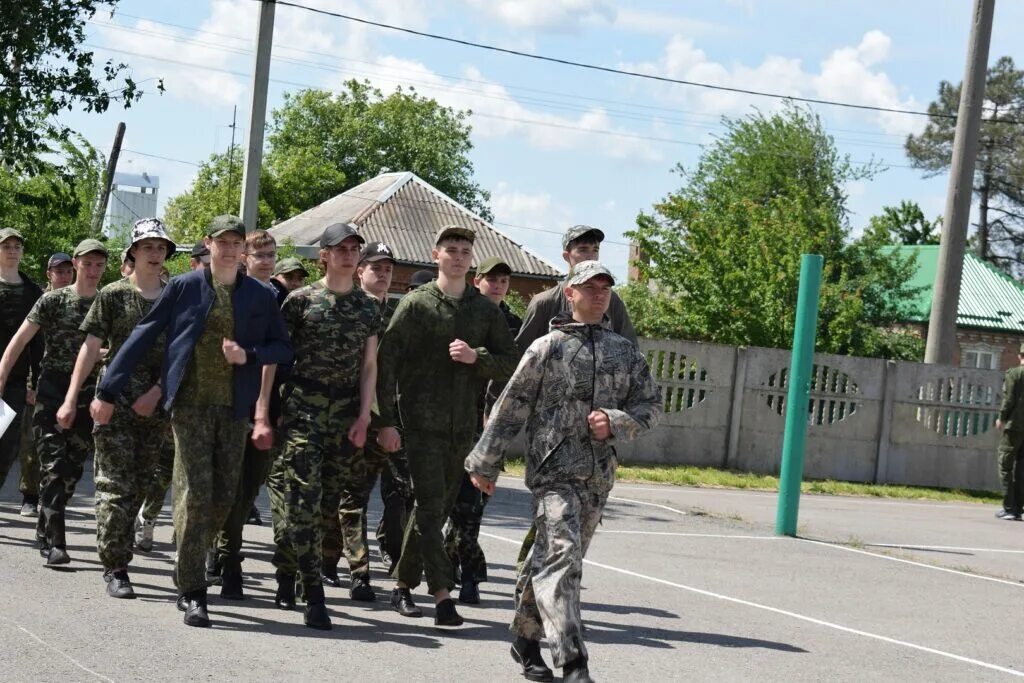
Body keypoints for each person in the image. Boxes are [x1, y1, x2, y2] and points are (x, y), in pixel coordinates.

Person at [92, 214, 292, 628]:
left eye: (237, 242)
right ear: (209, 244)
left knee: (222, 498)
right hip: (190, 406)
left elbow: (282, 349)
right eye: (223, 241)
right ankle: (192, 589)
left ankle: (188, 547)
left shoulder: (259, 296)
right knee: (195, 492)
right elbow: (144, 333)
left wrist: (248, 356)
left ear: (243, 250)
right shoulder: (184, 287)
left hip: (234, 409)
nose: (230, 248)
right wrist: (107, 390)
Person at [466, 261, 661, 683]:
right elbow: (509, 407)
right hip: (554, 474)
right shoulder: (546, 347)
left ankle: (524, 637)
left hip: (598, 477)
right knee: (563, 559)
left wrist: (617, 422)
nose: (598, 294)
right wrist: (485, 463)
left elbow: (651, 407)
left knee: (555, 559)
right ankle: (573, 662)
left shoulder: (623, 352)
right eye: (589, 287)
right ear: (569, 294)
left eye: (605, 287)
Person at [375, 224, 518, 627]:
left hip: (462, 428)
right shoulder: (417, 304)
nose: (457, 256)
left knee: (433, 511)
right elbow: (386, 363)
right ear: (435, 255)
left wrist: (478, 359)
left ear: (471, 260)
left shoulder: (484, 310)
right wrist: (385, 421)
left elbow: (511, 362)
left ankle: (402, 585)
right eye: (451, 249)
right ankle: (442, 595)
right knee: (430, 504)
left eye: (464, 251)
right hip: (419, 424)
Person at [266, 222, 378, 630]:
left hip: (345, 414)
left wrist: (365, 416)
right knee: (302, 501)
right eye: (340, 248)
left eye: (353, 248)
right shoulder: (300, 301)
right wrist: (265, 411)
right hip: (302, 412)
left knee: (326, 505)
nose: (348, 254)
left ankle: (288, 567)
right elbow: (275, 360)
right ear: (324, 255)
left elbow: (369, 366)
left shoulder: (368, 307)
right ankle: (313, 594)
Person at [58, 219, 177, 598]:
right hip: (114, 398)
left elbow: (180, 354)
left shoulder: (175, 296)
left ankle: (120, 553)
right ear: (134, 253)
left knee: (141, 485)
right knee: (113, 486)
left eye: (160, 247)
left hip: (155, 404)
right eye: (147, 247)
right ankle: (116, 565)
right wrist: (73, 397)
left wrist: (158, 393)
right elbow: (91, 347)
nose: (155, 253)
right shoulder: (113, 294)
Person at [0, 238, 108, 567]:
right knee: (52, 465)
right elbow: (21, 340)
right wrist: (2, 377)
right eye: (86, 263)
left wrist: (106, 357)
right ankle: (56, 543)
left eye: (99, 265)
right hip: (51, 389)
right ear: (75, 264)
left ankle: (45, 522)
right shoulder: (53, 300)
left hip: (89, 392)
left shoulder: (108, 303)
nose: (92, 270)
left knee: (72, 470)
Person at [321, 240, 413, 600]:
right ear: (360, 271)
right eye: (377, 268)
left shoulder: (400, 313)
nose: (383, 274)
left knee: (363, 493)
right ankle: (350, 567)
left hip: (388, 417)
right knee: (344, 494)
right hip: (349, 415)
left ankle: (341, 561)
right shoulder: (350, 307)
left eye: (388, 269)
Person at [208, 229, 284, 598]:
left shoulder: (281, 297)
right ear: (244, 258)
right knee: (228, 487)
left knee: (249, 486)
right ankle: (227, 559)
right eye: (260, 255)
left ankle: (223, 552)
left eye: (272, 255)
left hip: (269, 405)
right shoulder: (231, 295)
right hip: (236, 403)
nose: (267, 261)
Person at [443, 255, 523, 605]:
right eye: (492, 279)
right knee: (455, 505)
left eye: (504, 280)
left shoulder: (513, 323)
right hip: (455, 421)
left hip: (491, 427)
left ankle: (464, 569)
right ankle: (461, 570)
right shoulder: (464, 314)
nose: (498, 285)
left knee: (473, 506)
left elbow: (516, 372)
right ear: (478, 281)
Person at [15, 251, 71, 518]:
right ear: (49, 274)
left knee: (64, 446)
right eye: (58, 271)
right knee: (31, 442)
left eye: (68, 271)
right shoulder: (38, 302)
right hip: (38, 380)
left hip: (70, 384)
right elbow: (25, 346)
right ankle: (29, 495)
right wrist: (29, 383)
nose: (64, 276)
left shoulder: (79, 302)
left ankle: (54, 495)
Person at [0, 229, 44, 501]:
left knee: (6, 448)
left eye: (17, 246)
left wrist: (38, 381)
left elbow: (37, 343)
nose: (13, 251)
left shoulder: (32, 291)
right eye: (7, 246)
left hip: (15, 381)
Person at [996, 345, 1024, 520]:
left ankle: (1009, 507)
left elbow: (1010, 398)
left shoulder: (1014, 373)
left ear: (1020, 355)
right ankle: (1018, 507)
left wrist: (1002, 417)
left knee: (1005, 465)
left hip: (1015, 426)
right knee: (1022, 468)